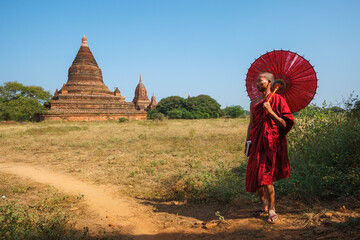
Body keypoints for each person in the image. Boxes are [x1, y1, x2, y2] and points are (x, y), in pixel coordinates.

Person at [245, 72, 294, 223]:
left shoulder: (278, 100)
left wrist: (271, 112)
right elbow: (251, 124)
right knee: (256, 176)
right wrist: (247, 142)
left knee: (266, 177)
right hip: (256, 143)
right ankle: (263, 205)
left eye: (260, 81)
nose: (257, 84)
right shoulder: (253, 102)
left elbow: (285, 124)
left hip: (270, 144)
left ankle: (272, 209)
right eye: (257, 82)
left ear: (270, 82)